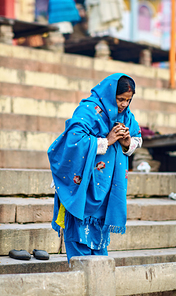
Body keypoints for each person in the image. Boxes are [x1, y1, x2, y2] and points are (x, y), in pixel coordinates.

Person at [48, 73, 142, 262]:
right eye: (120, 99)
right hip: (85, 185)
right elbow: (72, 141)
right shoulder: (89, 110)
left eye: (128, 100)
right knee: (79, 240)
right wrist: (107, 141)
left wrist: (126, 141)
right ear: (109, 94)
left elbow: (137, 139)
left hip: (107, 188)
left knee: (99, 245)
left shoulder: (126, 116)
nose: (124, 104)